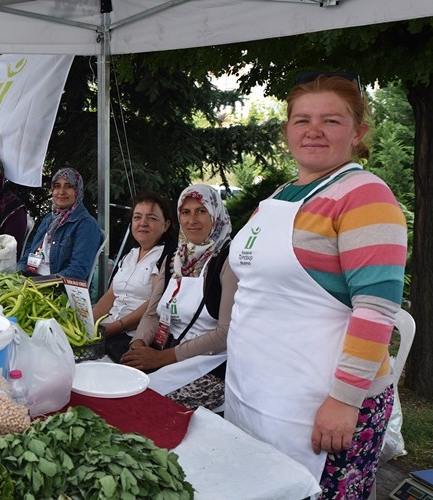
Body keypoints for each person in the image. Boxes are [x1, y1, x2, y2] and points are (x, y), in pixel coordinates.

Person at [224, 72, 407, 498]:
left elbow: (376, 309)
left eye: (331, 120)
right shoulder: (282, 194)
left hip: (325, 403)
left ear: (358, 132)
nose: (314, 131)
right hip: (258, 390)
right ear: (287, 129)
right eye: (302, 120)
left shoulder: (365, 195)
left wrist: (344, 401)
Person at [119, 184, 236, 411]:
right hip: (166, 353)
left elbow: (225, 333)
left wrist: (162, 359)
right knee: (120, 390)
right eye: (185, 212)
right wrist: (138, 345)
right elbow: (153, 312)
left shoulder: (227, 260)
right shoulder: (175, 258)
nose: (192, 220)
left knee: (144, 407)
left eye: (201, 211)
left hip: (209, 364)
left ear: (216, 214)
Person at [93, 192, 175, 348]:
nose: (143, 223)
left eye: (151, 218)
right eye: (137, 217)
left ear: (166, 225)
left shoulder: (167, 257)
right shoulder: (129, 256)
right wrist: (88, 322)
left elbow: (154, 304)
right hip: (108, 326)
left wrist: (118, 326)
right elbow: (110, 296)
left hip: (134, 336)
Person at [17, 167, 102, 281]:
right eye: (57, 186)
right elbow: (30, 251)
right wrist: (17, 272)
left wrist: (38, 282)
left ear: (77, 190)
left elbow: (78, 271)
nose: (62, 192)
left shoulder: (86, 225)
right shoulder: (49, 218)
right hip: (30, 279)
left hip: (56, 287)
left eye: (68, 186)